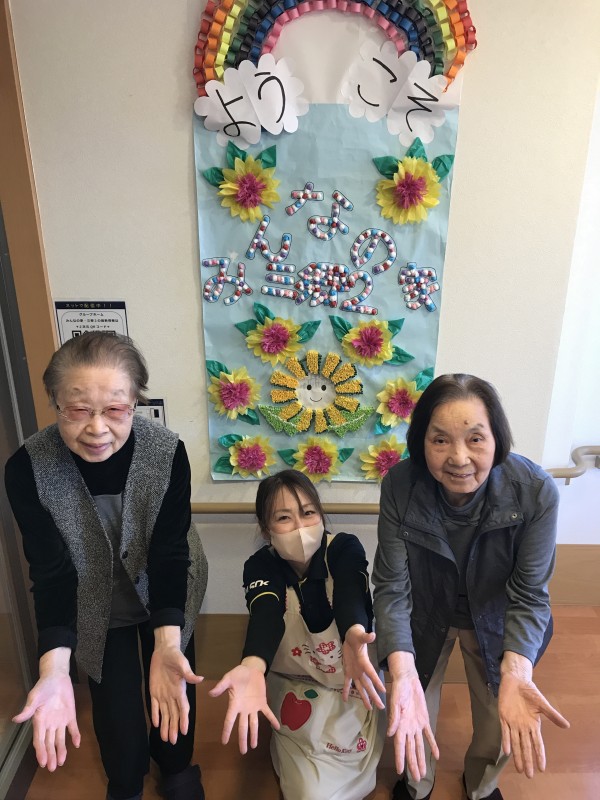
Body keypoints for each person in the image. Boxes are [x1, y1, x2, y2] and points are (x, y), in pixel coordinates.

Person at [5, 332, 208, 800]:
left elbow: (169, 553)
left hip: (166, 584)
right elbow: (52, 574)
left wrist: (166, 642)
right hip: (91, 597)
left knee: (172, 678)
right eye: (78, 410)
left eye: (115, 409)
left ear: (135, 403)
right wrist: (54, 670)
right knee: (116, 710)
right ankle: (125, 781)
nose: (97, 428)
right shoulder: (26, 468)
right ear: (55, 402)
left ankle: (177, 767)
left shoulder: (166, 453)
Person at [372, 373, 570, 800]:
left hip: (499, 616)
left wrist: (517, 670)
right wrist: (400, 671)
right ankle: (416, 784)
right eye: (440, 440)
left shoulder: (535, 492)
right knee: (411, 702)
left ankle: (480, 786)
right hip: (425, 611)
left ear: (497, 439)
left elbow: (530, 593)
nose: (459, 458)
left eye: (475, 439)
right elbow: (392, 585)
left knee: (503, 713)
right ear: (421, 442)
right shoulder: (400, 485)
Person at [210, 468, 386, 800]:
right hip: (295, 684)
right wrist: (252, 665)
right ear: (266, 528)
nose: (300, 527)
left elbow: (350, 594)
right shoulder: (260, 565)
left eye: (308, 513)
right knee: (309, 791)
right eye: (283, 518)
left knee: (352, 768)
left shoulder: (344, 548)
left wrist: (353, 632)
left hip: (350, 677)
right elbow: (266, 614)